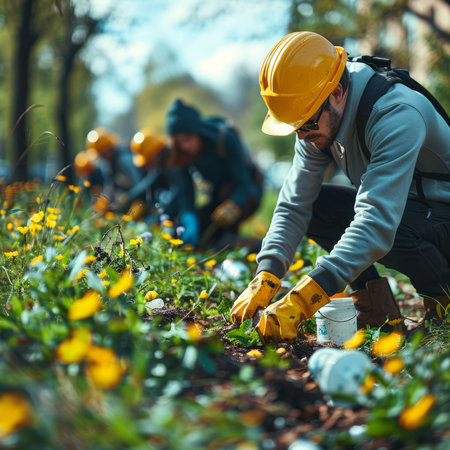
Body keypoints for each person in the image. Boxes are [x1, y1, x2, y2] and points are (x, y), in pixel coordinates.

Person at [230, 31, 450, 342]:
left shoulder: (396, 113)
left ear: (335, 93)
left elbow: (377, 221)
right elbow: (295, 204)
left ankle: (444, 308)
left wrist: (308, 295)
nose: (302, 136)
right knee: (320, 207)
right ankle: (378, 313)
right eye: (295, 127)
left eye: (306, 124)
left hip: (441, 217)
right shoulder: (318, 119)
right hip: (407, 212)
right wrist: (267, 274)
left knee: (388, 223)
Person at [165, 98, 264, 248]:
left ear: (198, 132)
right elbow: (186, 192)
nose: (186, 146)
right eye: (180, 142)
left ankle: (254, 245)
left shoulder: (225, 137)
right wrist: (189, 216)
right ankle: (228, 242)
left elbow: (242, 183)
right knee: (187, 232)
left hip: (245, 194)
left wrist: (234, 204)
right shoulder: (180, 154)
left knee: (226, 194)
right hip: (217, 200)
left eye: (188, 139)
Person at [85, 127, 143, 213]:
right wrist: (103, 202)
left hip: (141, 198)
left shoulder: (124, 159)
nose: (101, 157)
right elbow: (110, 186)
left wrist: (126, 200)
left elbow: (139, 183)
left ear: (107, 149)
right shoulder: (107, 163)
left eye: (102, 153)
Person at [127, 128, 179, 222]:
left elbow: (179, 194)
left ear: (156, 153)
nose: (146, 167)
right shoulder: (161, 165)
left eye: (148, 161)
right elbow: (148, 184)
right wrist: (127, 199)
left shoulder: (175, 163)